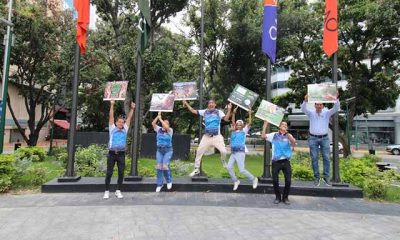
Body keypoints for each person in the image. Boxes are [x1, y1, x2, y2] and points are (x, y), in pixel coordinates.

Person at [183, 99, 232, 176]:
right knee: (199, 151)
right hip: (206, 137)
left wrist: (229, 109)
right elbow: (193, 111)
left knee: (224, 152)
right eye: (209, 103)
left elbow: (226, 119)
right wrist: (186, 103)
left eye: (212, 103)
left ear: (215, 105)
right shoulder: (205, 112)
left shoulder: (219, 112)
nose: (211, 104)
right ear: (208, 105)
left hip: (217, 137)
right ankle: (196, 169)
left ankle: (223, 160)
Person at [301, 94, 340, 186]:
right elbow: (303, 109)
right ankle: (317, 177)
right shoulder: (311, 113)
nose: (319, 106)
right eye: (317, 104)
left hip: (324, 138)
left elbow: (336, 108)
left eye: (320, 104)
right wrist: (305, 100)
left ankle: (326, 178)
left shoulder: (326, 113)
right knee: (314, 158)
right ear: (314, 105)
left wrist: (336, 98)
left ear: (323, 106)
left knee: (326, 158)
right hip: (313, 138)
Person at [103, 100, 135, 199]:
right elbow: (111, 116)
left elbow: (129, 118)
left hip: (121, 154)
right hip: (111, 154)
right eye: (119, 122)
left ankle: (118, 190)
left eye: (122, 122)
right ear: (116, 123)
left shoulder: (125, 129)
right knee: (109, 173)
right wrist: (112, 105)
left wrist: (132, 109)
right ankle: (106, 191)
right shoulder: (112, 128)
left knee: (121, 172)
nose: (121, 123)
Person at [262, 121, 296, 205]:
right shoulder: (274, 135)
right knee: (275, 180)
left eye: (285, 125)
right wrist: (265, 125)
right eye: (282, 124)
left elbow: (293, 143)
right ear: (279, 126)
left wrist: (291, 139)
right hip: (276, 161)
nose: (284, 125)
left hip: (286, 161)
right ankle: (277, 197)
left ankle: (285, 197)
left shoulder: (288, 135)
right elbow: (263, 136)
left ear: (287, 128)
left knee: (288, 181)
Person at [226, 106, 258, 191]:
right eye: (237, 124)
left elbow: (250, 123)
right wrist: (233, 113)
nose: (238, 125)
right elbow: (232, 121)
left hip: (240, 152)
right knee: (229, 167)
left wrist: (250, 113)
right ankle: (236, 181)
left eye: (240, 124)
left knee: (242, 170)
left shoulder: (244, 131)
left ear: (242, 125)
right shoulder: (233, 130)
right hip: (233, 153)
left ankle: (254, 179)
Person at [152, 112, 173, 192]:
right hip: (159, 151)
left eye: (167, 123)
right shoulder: (158, 129)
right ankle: (159, 184)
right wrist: (158, 116)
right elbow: (153, 123)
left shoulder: (170, 130)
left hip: (168, 150)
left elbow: (167, 127)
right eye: (164, 123)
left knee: (165, 165)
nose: (165, 124)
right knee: (159, 167)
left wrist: (161, 119)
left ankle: (168, 181)